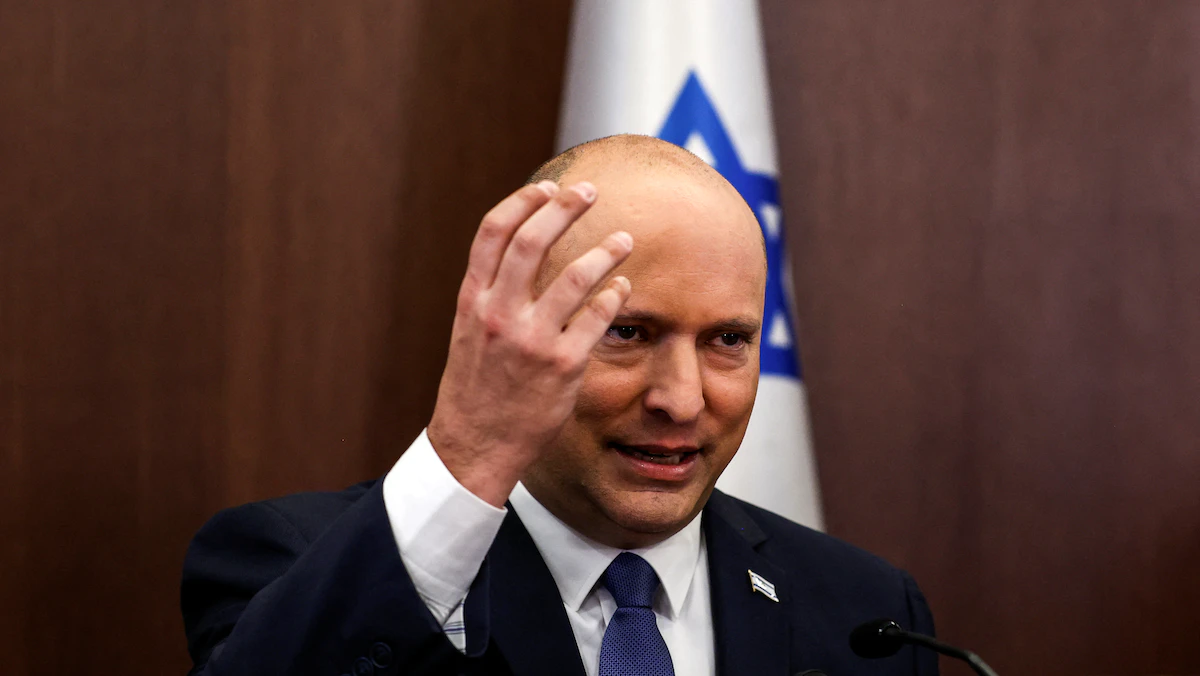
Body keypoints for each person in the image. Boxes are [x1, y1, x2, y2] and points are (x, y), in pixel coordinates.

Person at [181, 135, 938, 676]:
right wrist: (470, 451)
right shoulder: (289, 561)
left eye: (728, 340)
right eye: (627, 332)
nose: (682, 399)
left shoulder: (868, 613)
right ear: (515, 336)